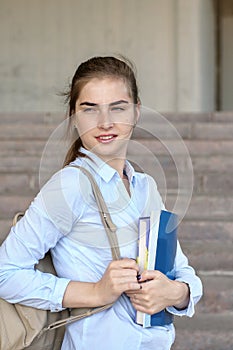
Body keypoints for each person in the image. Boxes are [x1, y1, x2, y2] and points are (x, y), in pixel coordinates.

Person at [0, 56, 202, 350]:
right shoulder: (69, 186)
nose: (105, 122)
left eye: (118, 108)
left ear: (136, 112)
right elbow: (6, 272)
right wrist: (95, 292)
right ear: (73, 116)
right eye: (89, 108)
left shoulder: (145, 187)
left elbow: (180, 270)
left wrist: (175, 292)